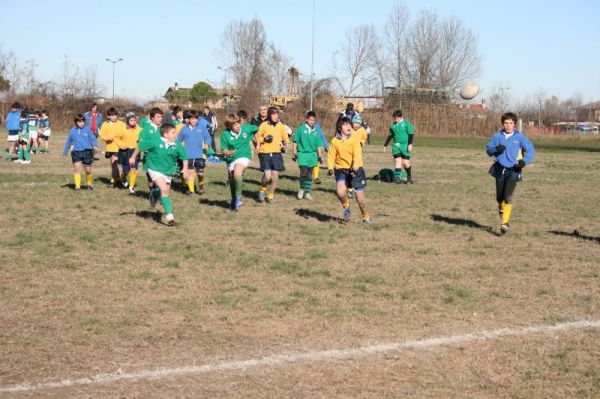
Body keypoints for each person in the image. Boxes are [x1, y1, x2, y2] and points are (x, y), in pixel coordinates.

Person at [486, 112, 535, 234]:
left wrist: (524, 161)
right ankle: (501, 208)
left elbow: (530, 149)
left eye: (511, 123)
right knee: (499, 198)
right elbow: (488, 150)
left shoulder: (519, 137)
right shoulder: (497, 136)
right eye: (506, 123)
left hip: (514, 169)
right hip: (499, 169)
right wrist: (495, 149)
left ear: (514, 124)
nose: (508, 125)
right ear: (503, 124)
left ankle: (505, 223)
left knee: (508, 196)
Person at [137, 123, 188, 226]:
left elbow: (184, 157)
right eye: (173, 132)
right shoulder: (155, 141)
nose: (176, 134)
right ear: (165, 134)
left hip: (168, 171)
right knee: (164, 189)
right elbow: (139, 146)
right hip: (154, 169)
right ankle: (169, 216)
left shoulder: (177, 144)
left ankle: (154, 194)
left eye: (176, 132)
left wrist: (185, 169)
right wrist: (133, 157)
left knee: (164, 191)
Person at [327, 117, 371, 224]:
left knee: (360, 200)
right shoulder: (334, 141)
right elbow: (331, 156)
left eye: (350, 125)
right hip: (341, 169)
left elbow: (357, 155)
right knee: (340, 192)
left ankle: (366, 217)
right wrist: (330, 168)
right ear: (339, 127)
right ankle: (346, 207)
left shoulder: (354, 139)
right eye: (346, 125)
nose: (348, 127)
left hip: (356, 170)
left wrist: (355, 168)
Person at [221, 112, 258, 211]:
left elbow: (257, 128)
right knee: (232, 180)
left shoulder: (246, 128)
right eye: (234, 124)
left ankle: (239, 196)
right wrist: (228, 152)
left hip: (244, 155)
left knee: (238, 172)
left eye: (238, 123)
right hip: (231, 158)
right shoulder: (225, 134)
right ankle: (234, 200)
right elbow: (223, 149)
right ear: (229, 126)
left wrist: (258, 141)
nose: (238, 125)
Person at [255, 106, 289, 203]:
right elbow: (256, 137)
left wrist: (285, 146)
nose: (275, 116)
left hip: (276, 154)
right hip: (265, 153)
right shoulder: (264, 125)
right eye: (273, 114)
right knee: (268, 176)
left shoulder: (281, 125)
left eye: (277, 114)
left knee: (275, 176)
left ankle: (270, 196)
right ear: (269, 115)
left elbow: (286, 139)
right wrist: (264, 139)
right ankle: (262, 190)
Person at [177, 109, 212, 195]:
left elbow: (208, 137)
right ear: (188, 119)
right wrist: (179, 150)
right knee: (190, 173)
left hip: (200, 155)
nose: (194, 120)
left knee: (200, 174)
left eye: (196, 118)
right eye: (192, 118)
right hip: (188, 155)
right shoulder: (183, 129)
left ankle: (200, 185)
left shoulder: (202, 128)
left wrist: (207, 144)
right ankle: (191, 190)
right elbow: (177, 141)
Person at [130, 107, 163, 192]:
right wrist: (133, 157)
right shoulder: (146, 129)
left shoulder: (163, 129)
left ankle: (157, 194)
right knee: (151, 178)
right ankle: (152, 192)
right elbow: (140, 145)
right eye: (158, 117)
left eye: (161, 117)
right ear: (152, 117)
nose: (160, 119)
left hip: (161, 158)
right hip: (149, 158)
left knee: (159, 178)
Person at [293, 111, 324, 200]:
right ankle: (302, 189)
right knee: (303, 172)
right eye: (310, 120)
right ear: (307, 119)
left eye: (313, 120)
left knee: (310, 175)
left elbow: (318, 145)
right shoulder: (301, 128)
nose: (312, 121)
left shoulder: (316, 131)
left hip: (312, 155)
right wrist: (294, 153)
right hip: (302, 154)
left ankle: (307, 192)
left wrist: (320, 156)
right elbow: (295, 141)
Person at [63, 114, 99, 190]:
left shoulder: (87, 130)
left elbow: (93, 139)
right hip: (76, 152)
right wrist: (65, 153)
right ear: (76, 122)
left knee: (88, 170)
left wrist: (95, 145)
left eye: (83, 121)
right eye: (79, 122)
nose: (82, 123)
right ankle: (77, 186)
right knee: (77, 168)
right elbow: (68, 142)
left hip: (87, 152)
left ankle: (89, 184)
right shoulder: (72, 131)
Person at [384, 110, 415, 184]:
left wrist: (410, 144)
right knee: (398, 161)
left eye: (397, 118)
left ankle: (409, 177)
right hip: (396, 146)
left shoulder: (407, 124)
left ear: (401, 117)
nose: (395, 120)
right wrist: (385, 145)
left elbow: (411, 134)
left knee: (405, 163)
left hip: (405, 146)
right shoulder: (393, 125)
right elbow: (390, 135)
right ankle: (397, 179)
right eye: (394, 118)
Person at [99, 107, 127, 188]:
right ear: (108, 116)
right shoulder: (105, 124)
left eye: (115, 115)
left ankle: (113, 181)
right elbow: (102, 136)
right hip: (109, 148)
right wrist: (107, 138)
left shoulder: (122, 124)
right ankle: (117, 179)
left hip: (119, 147)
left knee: (115, 163)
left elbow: (125, 134)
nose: (114, 116)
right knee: (113, 165)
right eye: (112, 115)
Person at [116, 114, 142, 194]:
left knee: (134, 169)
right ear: (127, 121)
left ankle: (131, 187)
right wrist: (122, 145)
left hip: (135, 151)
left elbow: (143, 138)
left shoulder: (140, 129)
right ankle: (123, 177)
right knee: (126, 170)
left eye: (134, 120)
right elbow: (116, 138)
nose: (133, 122)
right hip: (125, 151)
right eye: (131, 120)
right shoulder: (123, 129)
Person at [312, 121, 329, 185]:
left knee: (317, 160)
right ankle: (308, 176)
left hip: (317, 146)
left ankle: (316, 177)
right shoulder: (303, 126)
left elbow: (322, 136)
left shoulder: (317, 126)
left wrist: (326, 145)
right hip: (308, 147)